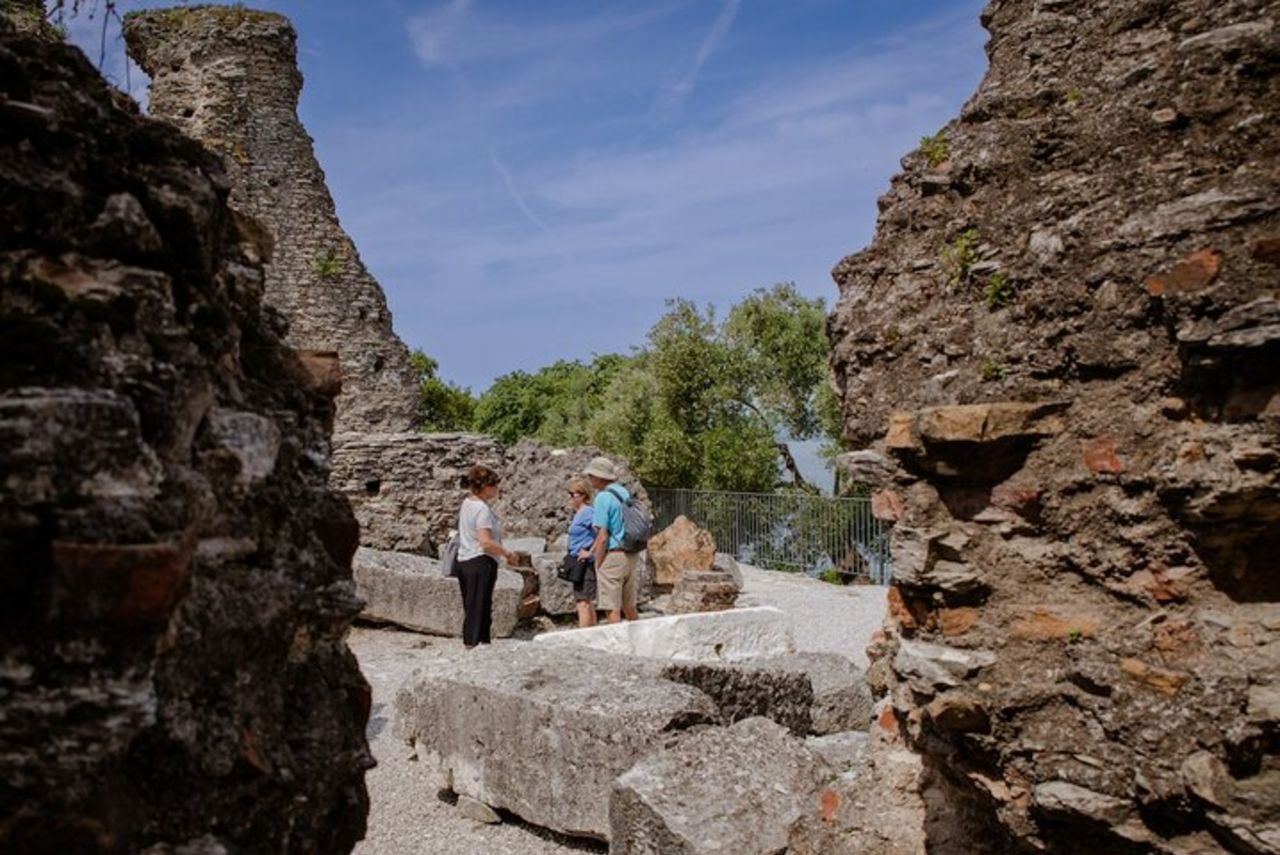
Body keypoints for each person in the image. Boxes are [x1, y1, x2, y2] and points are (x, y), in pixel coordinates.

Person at [455, 464, 517, 648]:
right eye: (494, 485)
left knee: (473, 606)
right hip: (479, 561)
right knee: (479, 608)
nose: (497, 489)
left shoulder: (467, 503)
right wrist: (507, 554)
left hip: (465, 560)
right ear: (485, 487)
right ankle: (475, 645)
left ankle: (477, 643)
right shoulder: (482, 509)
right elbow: (486, 542)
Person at [584, 456, 638, 624]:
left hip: (613, 555)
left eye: (591, 476)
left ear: (600, 477)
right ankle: (641, 643)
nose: (589, 479)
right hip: (631, 553)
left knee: (612, 607)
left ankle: (619, 647)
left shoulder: (602, 497)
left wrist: (598, 563)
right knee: (630, 606)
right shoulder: (623, 492)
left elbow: (602, 536)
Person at [565, 476, 598, 628]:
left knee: (582, 602)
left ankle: (583, 633)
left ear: (583, 495)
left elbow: (603, 533)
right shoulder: (579, 514)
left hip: (585, 563)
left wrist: (590, 552)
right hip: (578, 562)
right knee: (585, 600)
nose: (570, 498)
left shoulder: (587, 513)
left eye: (573, 494)